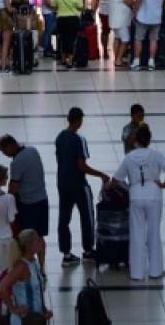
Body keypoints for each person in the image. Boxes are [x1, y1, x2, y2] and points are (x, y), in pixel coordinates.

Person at [109, 124, 165, 280]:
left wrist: (128, 187)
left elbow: (115, 180)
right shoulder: (156, 155)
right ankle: (155, 271)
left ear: (136, 140)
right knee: (153, 233)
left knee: (137, 234)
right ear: (149, 140)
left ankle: (137, 273)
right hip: (154, 195)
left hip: (136, 196)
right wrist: (164, 184)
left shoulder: (129, 157)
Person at [55, 107, 110, 266]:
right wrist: (101, 174)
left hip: (62, 183)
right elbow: (82, 166)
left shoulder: (59, 137)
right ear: (79, 120)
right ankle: (88, 250)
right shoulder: (79, 139)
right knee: (87, 217)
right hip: (78, 184)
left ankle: (66, 254)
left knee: (64, 219)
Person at [0, 134, 49, 238]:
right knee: (40, 236)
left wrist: (5, 203)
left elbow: (13, 188)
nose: (4, 154)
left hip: (29, 205)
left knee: (27, 237)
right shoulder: (32, 150)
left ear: (10, 146)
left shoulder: (17, 162)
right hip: (42, 199)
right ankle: (41, 249)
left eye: (4, 150)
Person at [0, 229, 51, 324]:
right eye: (37, 240)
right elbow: (2, 287)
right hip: (24, 320)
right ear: (29, 246)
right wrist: (13, 308)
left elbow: (36, 292)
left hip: (36, 318)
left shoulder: (34, 263)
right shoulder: (22, 266)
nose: (41, 243)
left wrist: (43, 309)